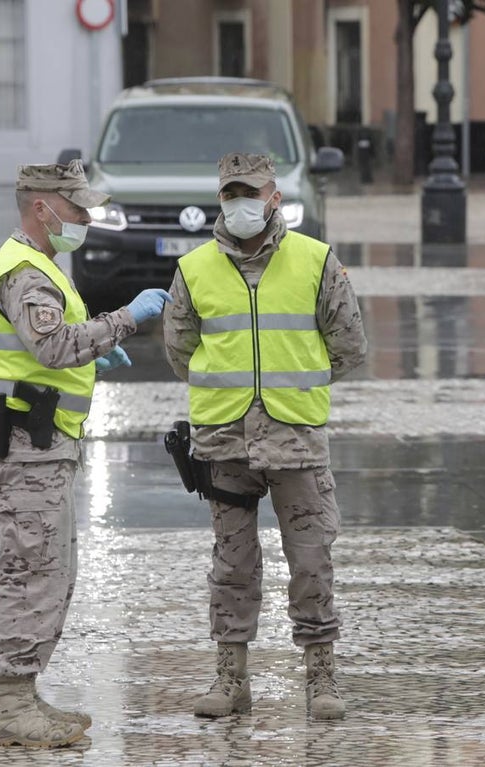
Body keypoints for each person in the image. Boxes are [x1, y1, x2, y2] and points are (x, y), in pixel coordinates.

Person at [0, 159, 171, 747]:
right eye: (76, 208)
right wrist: (125, 320)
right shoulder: (26, 273)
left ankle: (23, 695)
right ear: (41, 207)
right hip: (23, 443)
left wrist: (92, 351)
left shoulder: (42, 266)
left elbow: (46, 350)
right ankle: (8, 705)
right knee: (31, 569)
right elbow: (53, 347)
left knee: (50, 569)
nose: (85, 218)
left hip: (39, 442)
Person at [162, 153, 367, 721]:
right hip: (225, 441)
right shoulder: (194, 269)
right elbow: (180, 351)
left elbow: (349, 344)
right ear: (219, 199)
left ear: (274, 197)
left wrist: (294, 383)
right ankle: (230, 681)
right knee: (232, 565)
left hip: (295, 439)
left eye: (249, 192)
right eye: (229, 194)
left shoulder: (315, 260)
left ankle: (321, 679)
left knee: (310, 560)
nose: (239, 203)